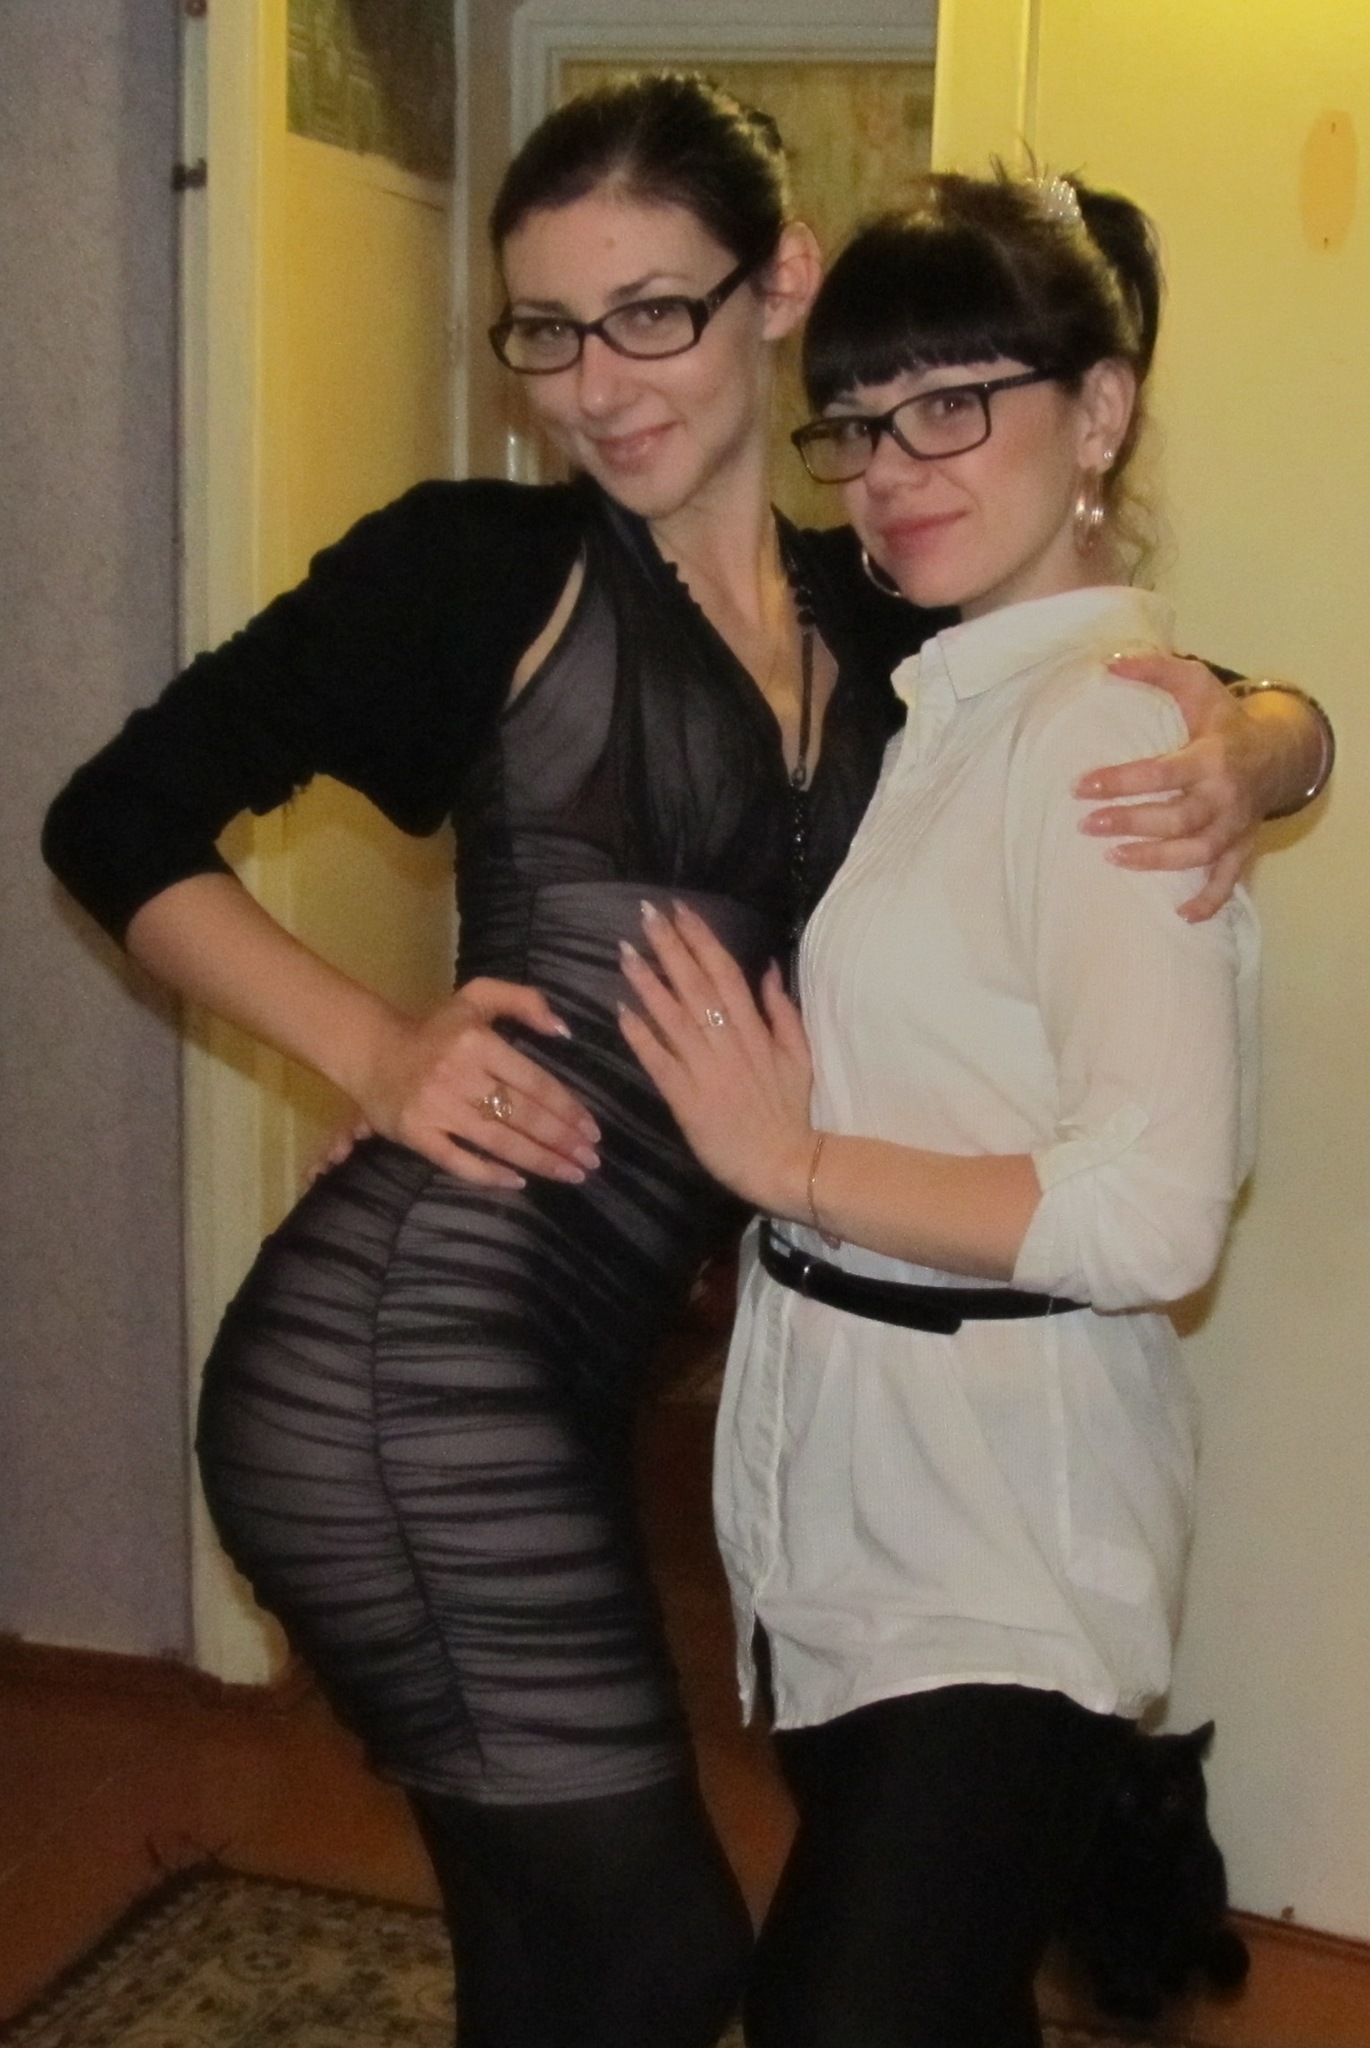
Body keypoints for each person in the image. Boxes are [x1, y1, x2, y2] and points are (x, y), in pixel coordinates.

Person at [42, 75, 1322, 2048]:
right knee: (651, 1962)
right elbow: (115, 815)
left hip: (579, 1366)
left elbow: (1146, 689)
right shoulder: (475, 569)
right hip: (402, 1370)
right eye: (547, 330)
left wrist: (1272, 739)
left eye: (652, 311)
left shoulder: (882, 608)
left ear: (776, 285)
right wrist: (369, 1047)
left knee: (556, 1955)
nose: (597, 383)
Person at [618, 169, 1273, 2048]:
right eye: (857, 421)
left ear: (1100, 410)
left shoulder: (1101, 736)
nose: (892, 468)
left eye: (953, 404)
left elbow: (1153, 1210)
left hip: (996, 1539)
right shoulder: (958, 702)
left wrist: (793, 1161)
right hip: (853, 1498)